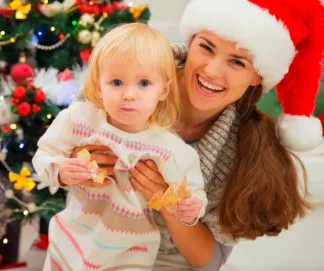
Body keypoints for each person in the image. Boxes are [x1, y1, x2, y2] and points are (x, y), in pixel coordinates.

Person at [69, 0, 324, 270]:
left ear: (258, 76)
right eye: (206, 47)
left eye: (237, 62)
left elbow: (209, 262)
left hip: (168, 261)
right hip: (89, 245)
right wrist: (80, 164)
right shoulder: (128, 71)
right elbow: (67, 146)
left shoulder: (243, 148)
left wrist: (168, 204)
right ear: (191, 41)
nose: (213, 71)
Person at [32, 22, 208, 270]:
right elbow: (44, 155)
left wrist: (192, 207)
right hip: (71, 240)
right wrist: (60, 171)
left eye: (144, 83)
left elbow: (192, 191)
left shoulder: (169, 148)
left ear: (164, 90)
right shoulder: (79, 120)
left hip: (130, 251)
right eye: (116, 82)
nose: (129, 95)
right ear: (98, 87)